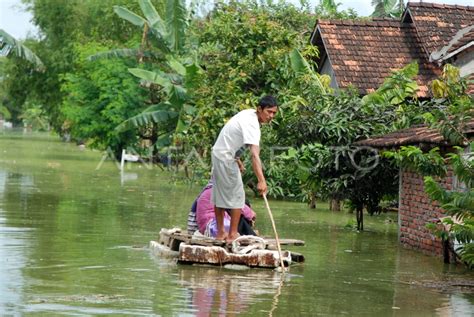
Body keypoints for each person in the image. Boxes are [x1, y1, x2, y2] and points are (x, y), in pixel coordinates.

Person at [211, 95, 278, 242]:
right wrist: (261, 180)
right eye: (269, 112)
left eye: (274, 113)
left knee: (219, 196)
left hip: (219, 154)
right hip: (225, 157)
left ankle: (221, 233)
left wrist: (238, 158)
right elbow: (255, 155)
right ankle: (232, 234)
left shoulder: (249, 114)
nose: (271, 116)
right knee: (238, 196)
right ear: (259, 109)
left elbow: (233, 137)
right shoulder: (253, 124)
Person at [187, 182, 256, 237]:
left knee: (239, 208)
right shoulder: (219, 190)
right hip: (212, 226)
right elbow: (243, 210)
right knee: (239, 215)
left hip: (205, 226)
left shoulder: (210, 189)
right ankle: (250, 235)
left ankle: (248, 233)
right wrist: (251, 214)